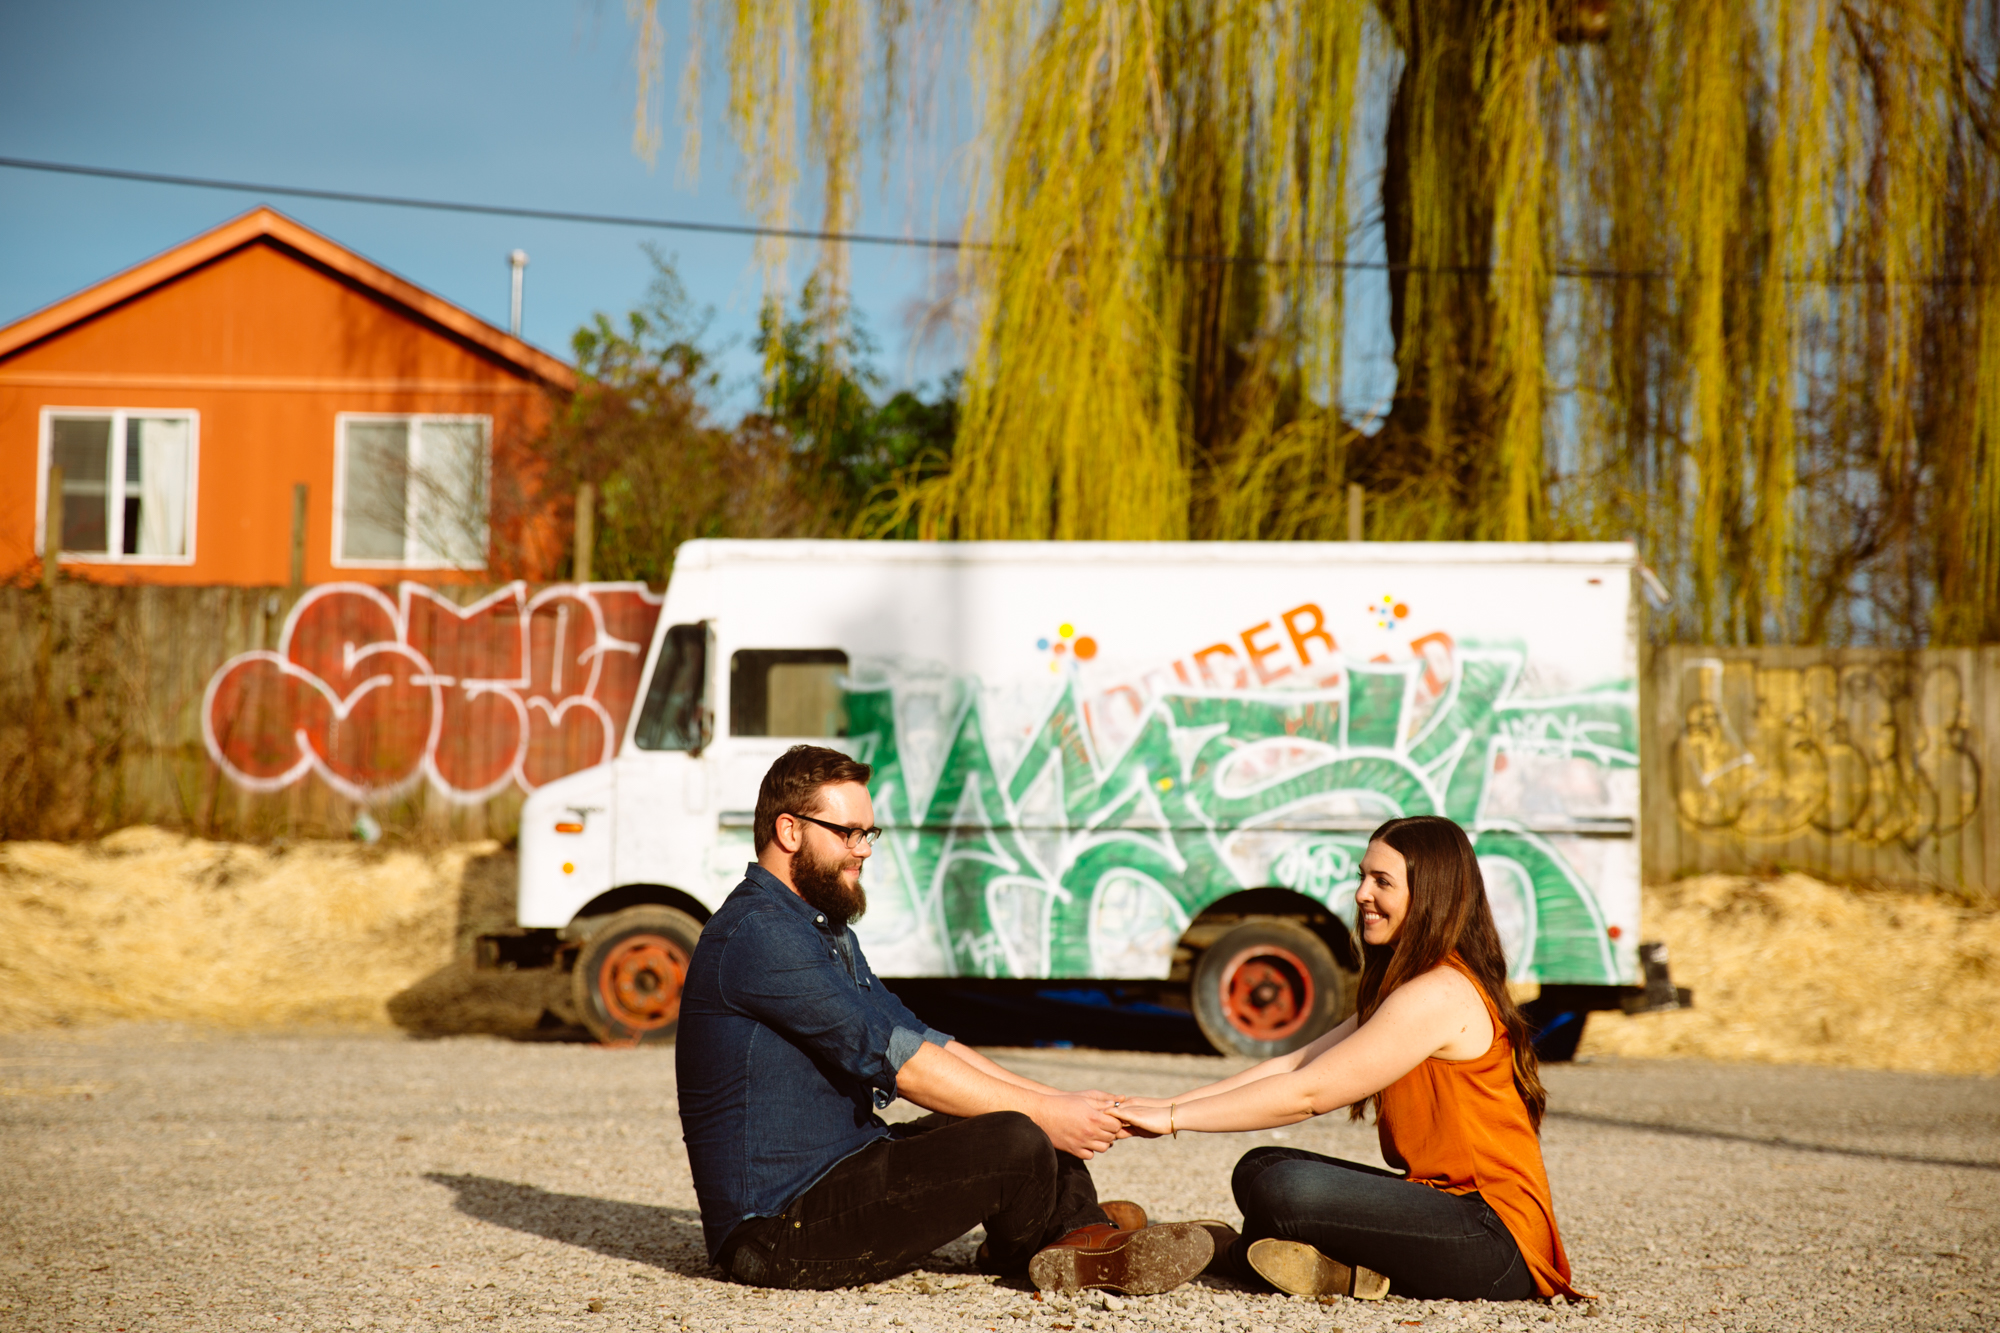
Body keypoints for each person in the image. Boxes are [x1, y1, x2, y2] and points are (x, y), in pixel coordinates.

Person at [677, 744, 1214, 1294]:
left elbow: (920, 1040)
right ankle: (1053, 1235)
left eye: (869, 833)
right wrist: (1042, 1114)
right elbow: (896, 1063)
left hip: (846, 1172)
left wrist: (1058, 1103)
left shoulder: (820, 928)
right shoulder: (757, 934)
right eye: (848, 833)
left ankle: (1076, 1231)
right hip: (777, 1231)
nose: (863, 850)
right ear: (789, 830)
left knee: (1015, 1118)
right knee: (1015, 1136)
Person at [1109, 815, 1583, 1305]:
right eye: (1362, 876)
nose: (1361, 894)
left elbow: (1308, 1094)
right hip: (1447, 1211)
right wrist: (1166, 1105)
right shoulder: (1411, 988)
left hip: (1492, 1243)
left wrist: (1172, 1121)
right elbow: (1295, 1065)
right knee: (1260, 1167)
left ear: (1433, 895)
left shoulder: (1441, 993)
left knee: (1284, 1188)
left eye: (1382, 882)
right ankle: (1330, 1271)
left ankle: (1228, 1252)